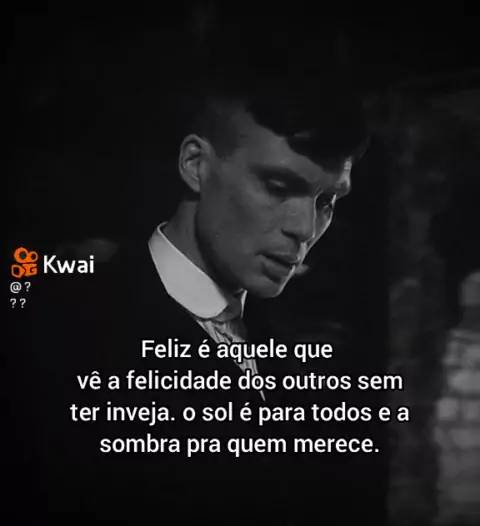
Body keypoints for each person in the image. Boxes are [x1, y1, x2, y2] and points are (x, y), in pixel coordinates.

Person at [9, 29, 378, 525]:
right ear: (195, 164)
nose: (305, 228)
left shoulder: (307, 353)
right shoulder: (60, 333)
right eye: (277, 186)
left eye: (327, 201)